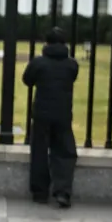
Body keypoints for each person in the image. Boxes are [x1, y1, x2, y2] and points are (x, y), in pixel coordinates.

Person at [22, 27, 79, 208]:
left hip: (42, 112)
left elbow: (27, 80)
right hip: (63, 113)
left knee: (39, 152)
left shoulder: (39, 62)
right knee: (64, 152)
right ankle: (63, 191)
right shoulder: (71, 64)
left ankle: (40, 192)